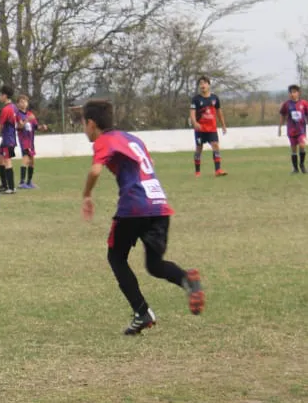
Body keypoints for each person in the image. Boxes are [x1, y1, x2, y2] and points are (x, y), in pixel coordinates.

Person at [80, 99, 204, 335]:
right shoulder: (133, 138)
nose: (84, 129)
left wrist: (87, 195)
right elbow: (150, 163)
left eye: (84, 124)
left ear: (92, 123)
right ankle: (187, 279)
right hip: (159, 204)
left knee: (116, 257)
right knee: (154, 265)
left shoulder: (105, 140)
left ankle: (142, 312)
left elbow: (95, 169)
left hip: (134, 206)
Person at [189, 76, 228, 177]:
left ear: (209, 85)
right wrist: (195, 123)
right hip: (200, 129)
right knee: (199, 148)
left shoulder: (214, 98)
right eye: (200, 83)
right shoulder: (196, 99)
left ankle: (218, 170)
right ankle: (197, 172)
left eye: (204, 83)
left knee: (215, 146)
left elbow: (219, 112)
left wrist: (223, 125)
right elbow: (192, 113)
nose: (202, 85)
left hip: (211, 129)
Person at [14, 95, 48, 189]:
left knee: (32, 161)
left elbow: (36, 127)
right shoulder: (17, 114)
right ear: (18, 104)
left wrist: (42, 127)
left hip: (31, 141)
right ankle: (21, 182)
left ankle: (29, 182)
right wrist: (27, 120)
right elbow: (19, 127)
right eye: (21, 101)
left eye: (25, 101)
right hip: (24, 140)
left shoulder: (30, 114)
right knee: (26, 158)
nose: (23, 103)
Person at [278, 84, 308, 174]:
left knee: (302, 145)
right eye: (290, 92)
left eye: (294, 92)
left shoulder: (304, 103)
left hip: (301, 130)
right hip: (291, 130)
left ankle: (302, 164)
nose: (292, 94)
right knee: (294, 149)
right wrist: (279, 127)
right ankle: (295, 169)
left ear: (298, 93)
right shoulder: (286, 104)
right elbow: (282, 116)